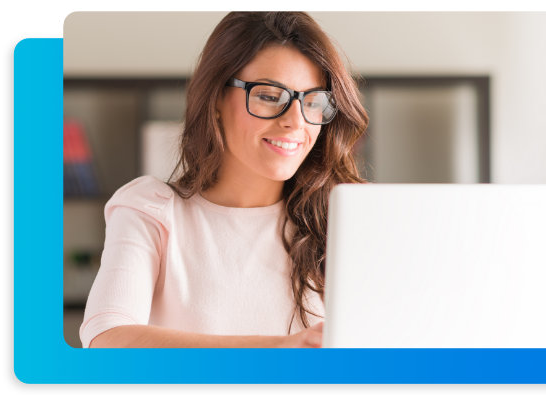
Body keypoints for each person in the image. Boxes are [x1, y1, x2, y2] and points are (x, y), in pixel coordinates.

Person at [79, 11, 368, 348]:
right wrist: (280, 348)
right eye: (269, 96)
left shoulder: (346, 218)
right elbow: (106, 338)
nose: (296, 122)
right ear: (216, 99)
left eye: (314, 101)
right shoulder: (151, 208)